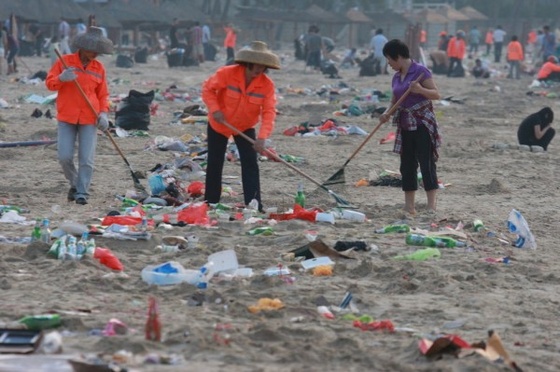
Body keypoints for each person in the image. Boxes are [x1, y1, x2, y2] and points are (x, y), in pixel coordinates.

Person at [201, 41, 280, 211]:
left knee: (250, 162)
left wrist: (262, 138)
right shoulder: (227, 74)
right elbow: (208, 90)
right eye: (256, 65)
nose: (259, 70)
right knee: (215, 162)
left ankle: (254, 203)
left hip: (244, 126)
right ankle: (211, 201)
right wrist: (215, 110)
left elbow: (269, 112)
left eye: (263, 66)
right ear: (247, 63)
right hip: (219, 123)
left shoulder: (267, 85)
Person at [45, 27, 113, 205]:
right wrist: (61, 78)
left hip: (90, 118)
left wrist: (104, 113)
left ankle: (82, 192)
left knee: (86, 159)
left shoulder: (99, 68)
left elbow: (103, 94)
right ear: (82, 47)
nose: (95, 54)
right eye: (92, 50)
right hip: (67, 116)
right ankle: (75, 183)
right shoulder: (65, 62)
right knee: (64, 156)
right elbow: (50, 84)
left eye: (98, 51)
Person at [380, 39, 441, 215]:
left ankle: (431, 206)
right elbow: (394, 101)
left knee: (426, 163)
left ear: (398, 57)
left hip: (422, 124)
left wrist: (420, 90)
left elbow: (436, 94)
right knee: (407, 165)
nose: (389, 64)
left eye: (389, 60)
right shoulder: (396, 77)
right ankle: (410, 206)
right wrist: (387, 113)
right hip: (405, 124)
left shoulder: (421, 72)